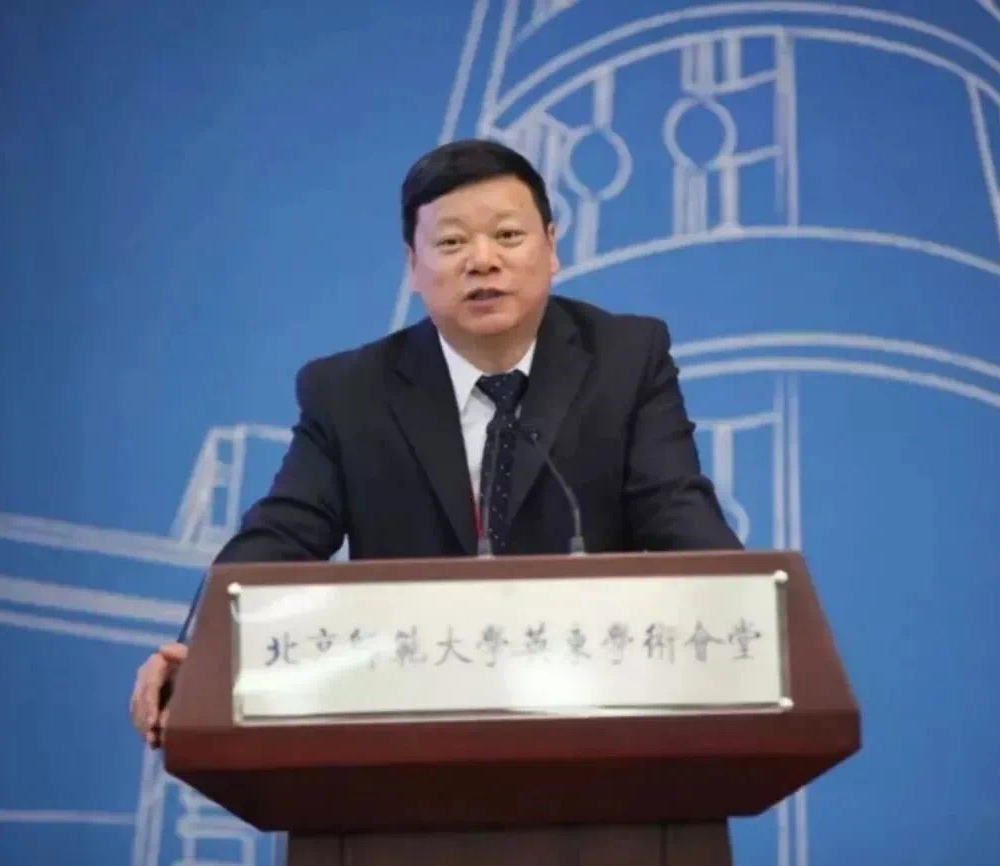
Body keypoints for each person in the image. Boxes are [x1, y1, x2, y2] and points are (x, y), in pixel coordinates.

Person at [129, 138, 742, 747]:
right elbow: (281, 535)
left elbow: (677, 511)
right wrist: (199, 651)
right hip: (411, 724)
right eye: (451, 243)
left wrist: (750, 623)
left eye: (508, 235)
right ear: (413, 266)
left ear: (552, 247)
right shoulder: (351, 392)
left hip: (595, 712)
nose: (483, 260)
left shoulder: (625, 359)